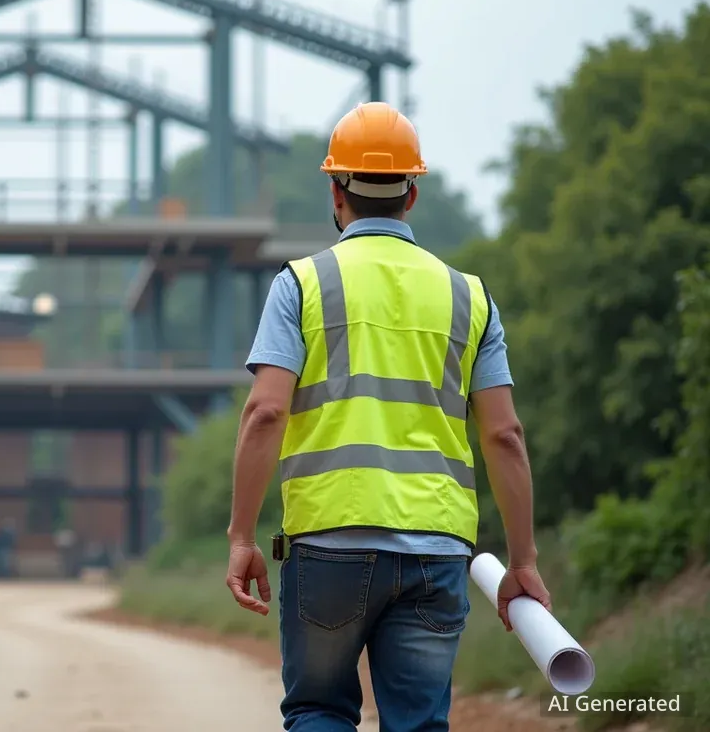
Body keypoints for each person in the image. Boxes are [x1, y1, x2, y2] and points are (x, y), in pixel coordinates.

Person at [225, 101, 552, 732]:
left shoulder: (301, 284)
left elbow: (265, 412)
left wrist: (241, 537)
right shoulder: (469, 296)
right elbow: (504, 435)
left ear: (334, 190)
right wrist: (524, 560)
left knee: (320, 710)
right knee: (420, 722)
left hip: (326, 544)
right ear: (413, 195)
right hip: (436, 551)